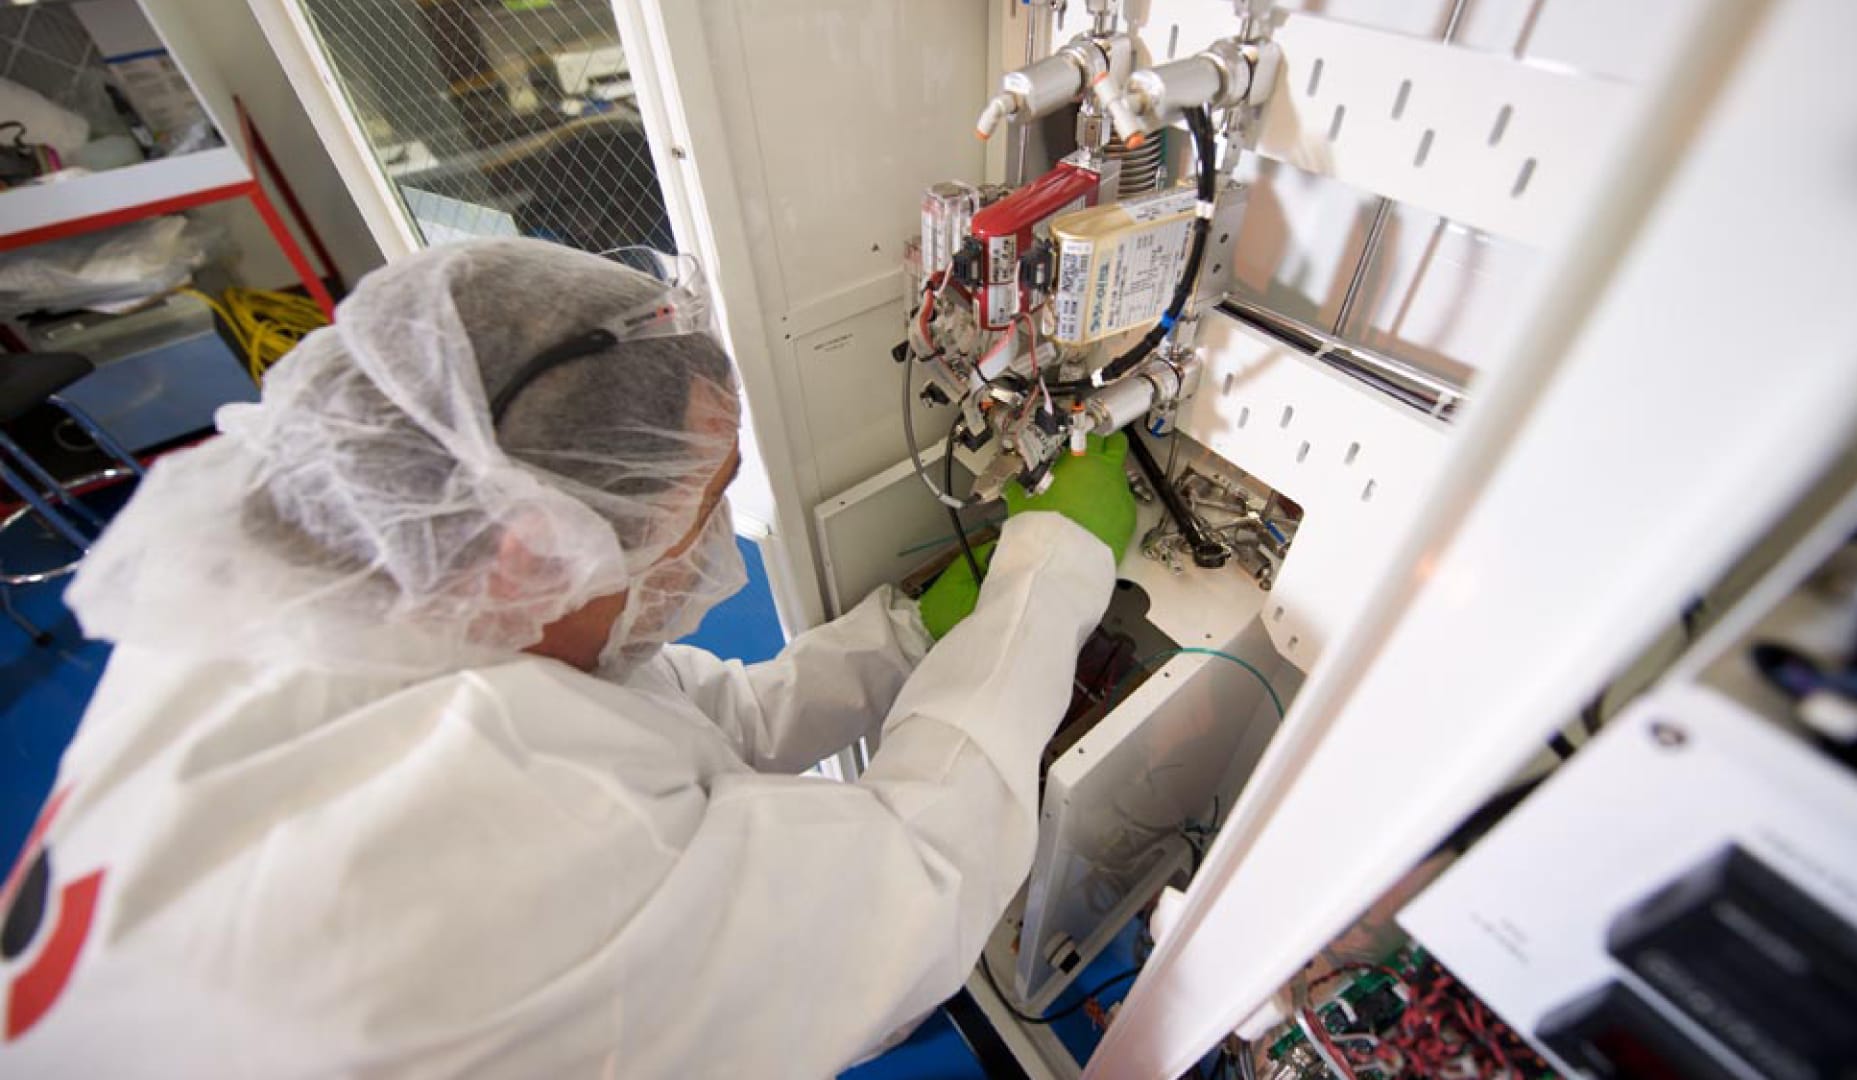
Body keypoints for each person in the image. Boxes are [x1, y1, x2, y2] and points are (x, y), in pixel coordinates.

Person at [0, 238, 1137, 1076]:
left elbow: (674, 727)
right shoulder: (489, 847)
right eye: (691, 512)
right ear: (531, 552)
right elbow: (920, 878)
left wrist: (901, 638)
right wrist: (1049, 576)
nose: (704, 553)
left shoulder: (304, 618)